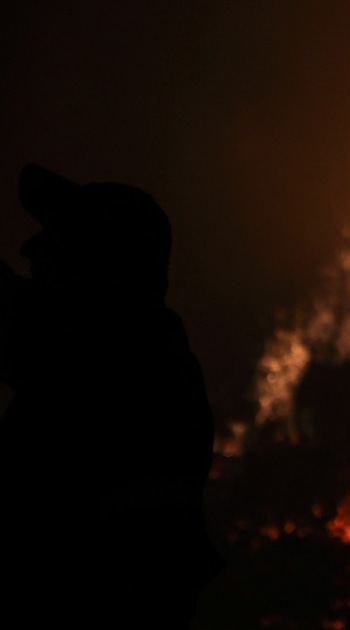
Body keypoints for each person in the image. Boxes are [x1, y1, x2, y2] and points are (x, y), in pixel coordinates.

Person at [0, 164, 223, 627]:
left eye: (59, 242)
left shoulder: (129, 357)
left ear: (103, 264)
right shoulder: (145, 353)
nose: (33, 254)